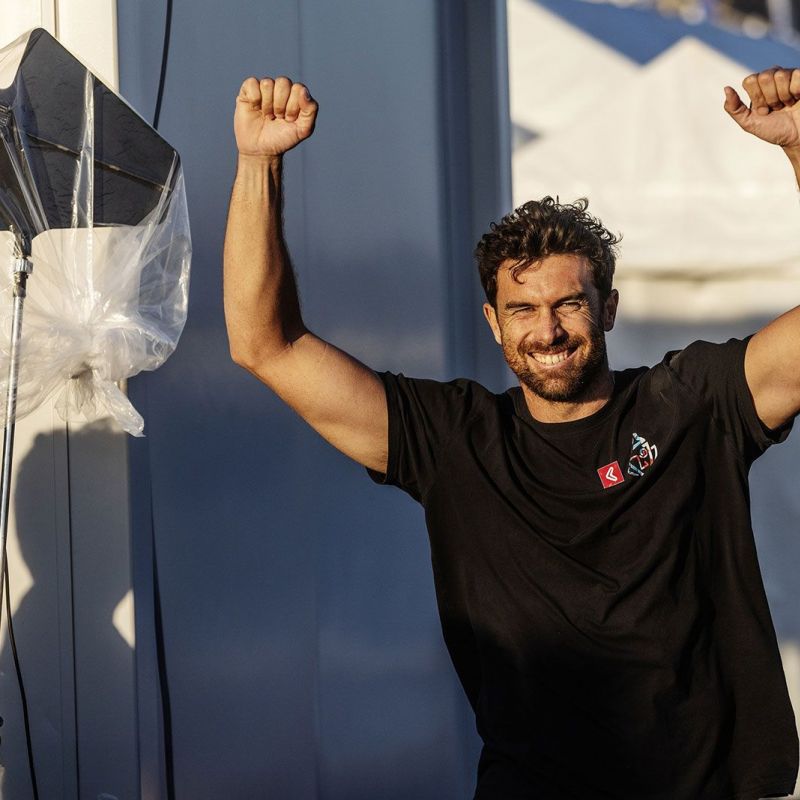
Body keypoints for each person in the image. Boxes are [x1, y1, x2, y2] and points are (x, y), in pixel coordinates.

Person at [223, 69, 800, 800]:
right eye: (523, 310)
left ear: (609, 308)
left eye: (570, 304)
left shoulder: (691, 403)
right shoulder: (454, 440)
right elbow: (265, 344)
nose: (548, 331)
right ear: (494, 323)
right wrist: (257, 162)